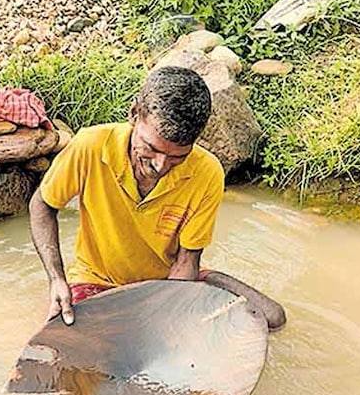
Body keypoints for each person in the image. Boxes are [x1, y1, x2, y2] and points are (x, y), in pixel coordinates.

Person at [28, 66, 286, 330]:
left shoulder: (207, 173)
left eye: (177, 157)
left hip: (169, 282)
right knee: (75, 345)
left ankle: (210, 280)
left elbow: (187, 260)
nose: (161, 166)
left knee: (272, 318)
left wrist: (164, 315)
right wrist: (56, 279)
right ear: (133, 114)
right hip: (98, 280)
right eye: (151, 148)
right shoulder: (90, 146)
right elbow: (42, 204)